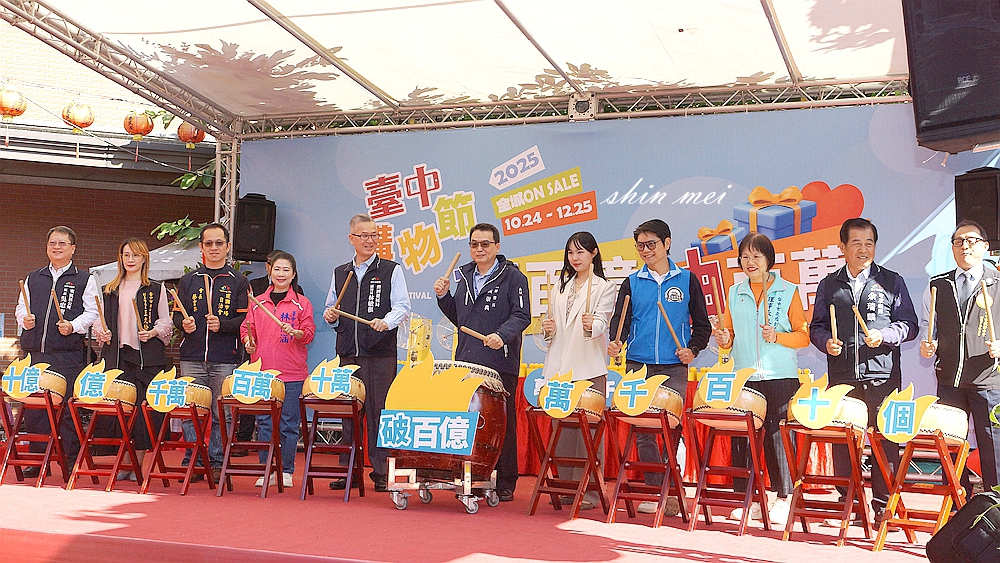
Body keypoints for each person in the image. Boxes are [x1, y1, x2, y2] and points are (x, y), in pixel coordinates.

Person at [811, 217, 917, 527]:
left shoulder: (892, 281)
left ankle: (884, 505)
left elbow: (909, 325)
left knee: (885, 442)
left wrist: (884, 335)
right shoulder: (829, 284)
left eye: (869, 243)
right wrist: (826, 342)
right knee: (844, 442)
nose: (863, 249)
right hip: (842, 377)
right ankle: (850, 503)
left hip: (882, 376)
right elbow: (817, 326)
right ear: (842, 247)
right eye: (856, 243)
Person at [608, 219, 712, 515]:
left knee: (671, 428)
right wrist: (616, 342)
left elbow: (702, 325)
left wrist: (692, 350)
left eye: (651, 244)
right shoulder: (632, 282)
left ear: (667, 243)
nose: (645, 250)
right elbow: (620, 321)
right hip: (638, 365)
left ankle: (671, 489)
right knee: (643, 430)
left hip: (673, 367)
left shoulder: (687, 280)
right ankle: (658, 491)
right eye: (640, 245)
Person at [714, 232, 809, 525]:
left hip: (780, 375)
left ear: (769, 259)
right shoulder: (735, 292)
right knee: (744, 439)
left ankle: (783, 497)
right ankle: (752, 498)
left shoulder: (788, 290)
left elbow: (803, 336)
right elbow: (728, 337)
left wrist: (778, 336)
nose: (750, 262)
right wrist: (724, 339)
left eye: (756, 256)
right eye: (745, 257)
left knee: (778, 437)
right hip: (744, 376)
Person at [435, 223, 531, 502]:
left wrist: (502, 335)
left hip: (500, 361)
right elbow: (460, 319)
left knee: (502, 424)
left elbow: (522, 315)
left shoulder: (513, 277)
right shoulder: (464, 275)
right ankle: (472, 475)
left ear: (497, 247)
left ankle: (505, 481)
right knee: (470, 422)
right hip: (467, 359)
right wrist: (443, 297)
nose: (479, 249)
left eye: (485, 244)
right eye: (474, 244)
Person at [324, 214, 410, 493]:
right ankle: (349, 471)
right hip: (348, 353)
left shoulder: (390, 270)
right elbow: (331, 308)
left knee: (379, 414)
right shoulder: (341, 272)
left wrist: (386, 322)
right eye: (364, 236)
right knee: (349, 414)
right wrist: (331, 316)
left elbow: (402, 307)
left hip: (379, 354)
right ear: (352, 239)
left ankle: (382, 472)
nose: (370, 240)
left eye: (374, 235)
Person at [920, 220, 1000, 497]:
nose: (965, 246)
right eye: (958, 241)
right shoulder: (938, 285)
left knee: (993, 447)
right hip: (949, 380)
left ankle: (994, 506)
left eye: (972, 240)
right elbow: (929, 325)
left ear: (985, 246)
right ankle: (957, 504)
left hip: (988, 380)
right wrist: (930, 345)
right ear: (952, 248)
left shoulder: (997, 282)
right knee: (951, 446)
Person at [15, 226, 100, 477]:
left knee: (66, 409)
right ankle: (37, 460)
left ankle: (69, 460)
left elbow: (93, 312)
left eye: (62, 243)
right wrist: (24, 319)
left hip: (67, 354)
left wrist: (73, 326)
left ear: (73, 248)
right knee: (35, 408)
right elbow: (21, 306)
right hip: (35, 353)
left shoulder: (84, 279)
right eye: (52, 243)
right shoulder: (34, 277)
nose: (57, 247)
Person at [540, 231, 617, 510]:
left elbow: (602, 323)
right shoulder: (560, 286)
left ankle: (590, 492)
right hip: (559, 370)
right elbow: (551, 329)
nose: (575, 258)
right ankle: (568, 488)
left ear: (594, 253)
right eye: (571, 253)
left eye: (581, 252)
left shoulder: (604, 287)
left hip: (588, 368)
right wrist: (547, 330)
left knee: (589, 434)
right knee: (562, 431)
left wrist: (592, 325)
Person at [172, 223, 249, 483]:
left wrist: (223, 325)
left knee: (221, 413)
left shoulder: (238, 281)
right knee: (191, 411)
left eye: (219, 243)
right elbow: (176, 315)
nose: (214, 248)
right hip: (192, 356)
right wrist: (183, 324)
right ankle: (193, 460)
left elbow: (245, 320)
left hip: (225, 357)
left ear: (228, 247)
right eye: (208, 243)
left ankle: (217, 462)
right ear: (201, 247)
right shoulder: (189, 280)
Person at [92, 238, 173, 481]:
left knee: (142, 412)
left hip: (146, 359)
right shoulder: (109, 289)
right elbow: (99, 321)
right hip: (118, 357)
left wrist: (154, 332)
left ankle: (136, 463)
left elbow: (165, 320)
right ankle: (125, 461)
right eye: (126, 255)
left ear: (144, 259)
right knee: (121, 411)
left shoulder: (155, 288)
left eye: (135, 255)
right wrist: (102, 332)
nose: (130, 259)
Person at [241, 251, 315, 489]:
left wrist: (297, 333)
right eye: (277, 269)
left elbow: (309, 333)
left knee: (288, 424)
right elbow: (246, 329)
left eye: (286, 270)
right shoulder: (258, 302)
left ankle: (287, 470)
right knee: (264, 423)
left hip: (292, 373)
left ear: (293, 275)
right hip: (263, 373)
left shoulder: (301, 303)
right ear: (270, 272)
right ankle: (267, 469)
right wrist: (248, 341)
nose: (281, 274)